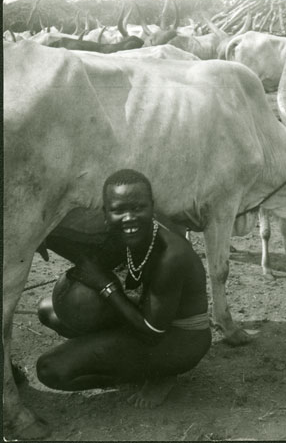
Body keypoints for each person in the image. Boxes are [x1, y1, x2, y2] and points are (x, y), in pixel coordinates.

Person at [36, 169, 211, 408]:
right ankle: (129, 361)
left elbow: (153, 331)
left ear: (152, 207)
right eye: (118, 210)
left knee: (50, 370)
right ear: (106, 214)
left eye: (138, 208)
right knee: (48, 310)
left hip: (178, 340)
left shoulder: (171, 256)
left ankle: (158, 375)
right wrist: (43, 238)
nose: (128, 217)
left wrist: (105, 286)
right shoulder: (127, 232)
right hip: (149, 318)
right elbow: (86, 253)